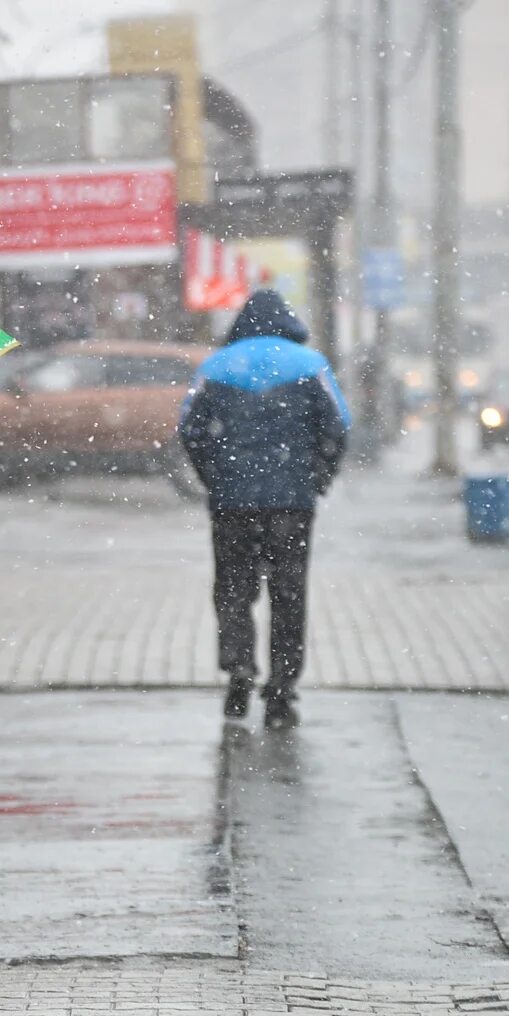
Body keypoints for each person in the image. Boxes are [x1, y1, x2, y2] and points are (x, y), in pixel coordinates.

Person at [177, 290, 351, 729]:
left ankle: (239, 673)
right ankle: (282, 691)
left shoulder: (217, 366)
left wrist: (213, 476)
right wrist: (318, 478)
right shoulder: (310, 364)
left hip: (232, 503)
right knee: (288, 596)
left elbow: (190, 429)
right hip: (291, 505)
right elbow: (338, 426)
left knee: (234, 592)